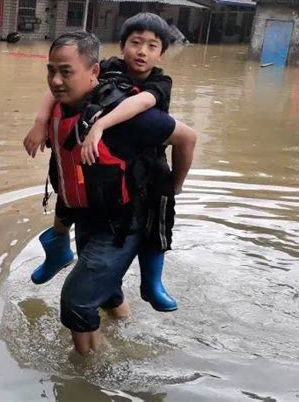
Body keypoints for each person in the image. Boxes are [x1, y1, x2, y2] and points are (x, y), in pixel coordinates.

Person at [38, 31, 196, 355]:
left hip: (123, 224)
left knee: (77, 300)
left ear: (93, 72)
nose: (55, 81)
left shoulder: (129, 116)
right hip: (88, 213)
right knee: (106, 293)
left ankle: (91, 372)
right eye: (51, 71)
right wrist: (39, 121)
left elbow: (188, 137)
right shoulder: (63, 104)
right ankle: (127, 332)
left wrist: (176, 186)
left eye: (65, 72)